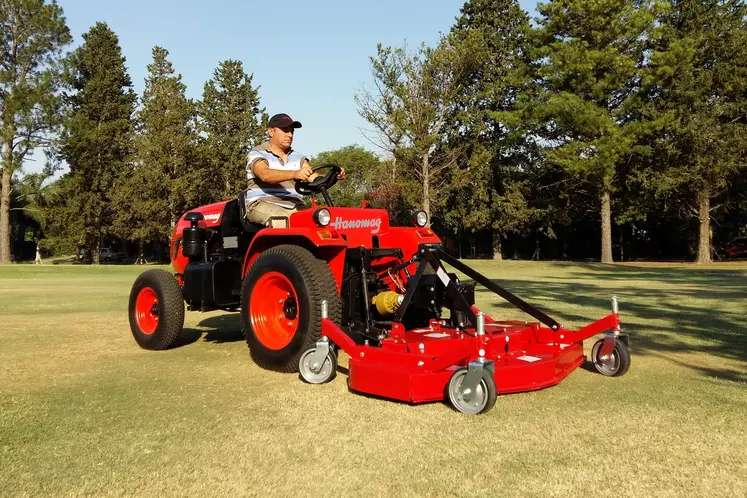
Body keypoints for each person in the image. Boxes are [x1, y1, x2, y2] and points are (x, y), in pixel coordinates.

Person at [245, 113, 345, 227]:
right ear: (271, 132)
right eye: (285, 130)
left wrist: (333, 176)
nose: (290, 135)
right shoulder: (257, 153)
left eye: (292, 131)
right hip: (262, 203)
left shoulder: (298, 157)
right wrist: (295, 174)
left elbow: (312, 177)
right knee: (280, 219)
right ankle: (284, 245)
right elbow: (265, 174)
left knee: (322, 219)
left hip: (295, 205)